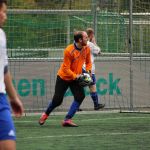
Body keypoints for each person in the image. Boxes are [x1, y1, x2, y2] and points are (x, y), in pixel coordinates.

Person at [39, 31, 92, 127]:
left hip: (76, 78)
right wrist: (76, 76)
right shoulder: (69, 50)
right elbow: (65, 68)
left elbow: (88, 62)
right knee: (57, 101)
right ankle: (45, 114)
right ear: (80, 40)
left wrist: (88, 71)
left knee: (80, 96)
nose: (87, 39)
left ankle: (67, 119)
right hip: (63, 77)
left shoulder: (87, 48)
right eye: (86, 37)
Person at [0, 0, 24, 149]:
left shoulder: (1, 35)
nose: (5, 16)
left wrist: (14, 98)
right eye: (2, 12)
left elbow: (4, 70)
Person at [78, 28, 105, 111]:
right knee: (92, 87)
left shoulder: (80, 43)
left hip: (81, 68)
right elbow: (99, 52)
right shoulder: (90, 44)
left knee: (83, 87)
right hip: (88, 69)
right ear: (91, 35)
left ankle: (78, 106)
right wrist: (94, 42)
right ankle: (96, 105)